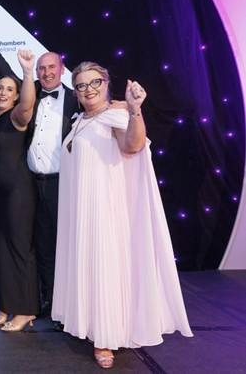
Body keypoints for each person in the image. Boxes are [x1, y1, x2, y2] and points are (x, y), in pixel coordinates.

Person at [52, 61, 193, 368]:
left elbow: (134, 145)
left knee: (105, 268)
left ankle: (105, 340)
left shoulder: (116, 115)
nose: (88, 89)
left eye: (95, 82)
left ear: (106, 83)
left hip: (104, 210)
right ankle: (93, 325)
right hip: (81, 212)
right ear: (75, 92)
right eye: (81, 85)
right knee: (89, 267)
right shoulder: (80, 120)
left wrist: (135, 110)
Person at [0, 47, 40, 332]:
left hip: (19, 193)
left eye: (9, 89)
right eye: (0, 88)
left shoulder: (17, 117)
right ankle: (6, 305)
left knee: (20, 250)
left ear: (16, 96)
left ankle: (26, 310)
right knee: (2, 252)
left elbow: (28, 105)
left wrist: (27, 73)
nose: (3, 93)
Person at [27, 52, 80, 324]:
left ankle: (69, 306)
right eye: (41, 68)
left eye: (51, 67)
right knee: (42, 246)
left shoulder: (76, 99)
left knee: (66, 246)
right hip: (31, 184)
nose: (47, 73)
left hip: (64, 184)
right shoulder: (29, 97)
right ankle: (49, 300)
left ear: (62, 69)